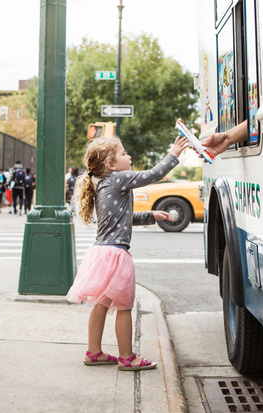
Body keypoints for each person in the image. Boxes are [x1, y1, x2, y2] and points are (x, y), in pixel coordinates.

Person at [66, 135, 188, 370]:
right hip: (116, 255)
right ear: (111, 164)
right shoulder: (118, 179)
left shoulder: (104, 184)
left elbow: (123, 219)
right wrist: (173, 154)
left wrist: (150, 215)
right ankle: (127, 358)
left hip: (101, 252)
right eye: (123, 153)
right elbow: (151, 175)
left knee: (101, 304)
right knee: (124, 306)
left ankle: (94, 352)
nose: (128, 156)